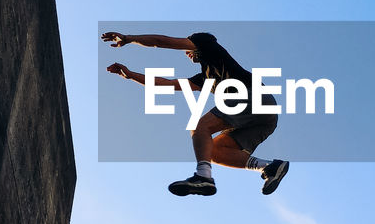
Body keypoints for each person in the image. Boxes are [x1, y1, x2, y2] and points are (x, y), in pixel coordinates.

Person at [100, 30, 289, 198]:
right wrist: (131, 75)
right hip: (265, 118)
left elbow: (162, 41)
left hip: (254, 96)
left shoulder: (206, 44)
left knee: (199, 127)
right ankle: (269, 167)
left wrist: (129, 38)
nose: (186, 53)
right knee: (212, 151)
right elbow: (165, 85)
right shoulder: (204, 78)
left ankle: (203, 176)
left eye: (187, 49)